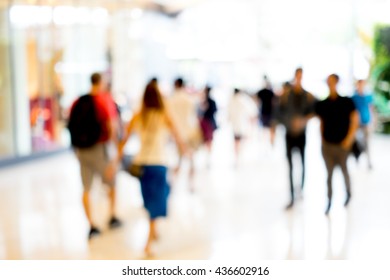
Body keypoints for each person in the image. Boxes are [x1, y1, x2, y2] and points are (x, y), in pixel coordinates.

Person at [109, 79, 185, 255]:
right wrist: (184, 156)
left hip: (142, 164)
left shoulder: (138, 115)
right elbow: (178, 138)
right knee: (158, 200)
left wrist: (115, 162)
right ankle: (148, 242)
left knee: (149, 200)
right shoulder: (164, 114)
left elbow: (124, 142)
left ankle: (154, 231)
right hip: (159, 163)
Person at [68, 73, 121, 240]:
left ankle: (91, 226)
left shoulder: (78, 101)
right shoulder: (103, 99)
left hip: (82, 150)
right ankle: (112, 217)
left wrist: (76, 150)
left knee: (86, 188)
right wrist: (116, 149)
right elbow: (111, 127)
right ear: (101, 82)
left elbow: (70, 126)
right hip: (99, 148)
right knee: (111, 182)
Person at [315, 74, 359, 215]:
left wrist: (349, 139)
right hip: (328, 145)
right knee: (329, 175)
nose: (331, 84)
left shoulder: (346, 102)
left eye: (333, 82)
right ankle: (329, 200)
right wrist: (322, 140)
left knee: (344, 171)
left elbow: (354, 119)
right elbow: (321, 123)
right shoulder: (324, 104)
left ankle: (348, 194)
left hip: (342, 145)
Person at [275, 68, 316, 209]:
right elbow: (278, 114)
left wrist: (303, 121)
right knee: (291, 165)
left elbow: (314, 111)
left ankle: (301, 190)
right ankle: (292, 196)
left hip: (302, 134)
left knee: (303, 162)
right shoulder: (286, 95)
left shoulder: (308, 96)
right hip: (289, 134)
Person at [168, 77, 201, 176]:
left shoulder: (171, 100)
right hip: (189, 130)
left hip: (177, 131)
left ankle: (175, 179)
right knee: (190, 156)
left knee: (179, 156)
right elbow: (193, 116)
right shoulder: (188, 99)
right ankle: (191, 179)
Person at [228, 88, 258, 164]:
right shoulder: (244, 100)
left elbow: (228, 113)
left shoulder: (232, 100)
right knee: (242, 140)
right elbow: (253, 111)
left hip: (236, 124)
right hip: (243, 124)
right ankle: (239, 155)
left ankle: (237, 156)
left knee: (236, 140)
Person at [352, 79, 374, 169]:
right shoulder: (354, 97)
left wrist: (372, 121)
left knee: (367, 143)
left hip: (366, 122)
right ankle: (357, 158)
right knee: (357, 142)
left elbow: (371, 108)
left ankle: (369, 162)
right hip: (356, 124)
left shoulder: (368, 96)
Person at [199, 85, 218, 157]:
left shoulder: (205, 101)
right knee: (209, 139)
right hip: (208, 122)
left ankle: (208, 154)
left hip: (206, 122)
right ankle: (208, 154)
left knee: (207, 139)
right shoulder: (206, 101)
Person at [257, 75, 276, 145]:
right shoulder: (268, 92)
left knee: (267, 130)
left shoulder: (265, 92)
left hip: (266, 113)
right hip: (266, 113)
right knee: (266, 130)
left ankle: (269, 144)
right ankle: (268, 144)